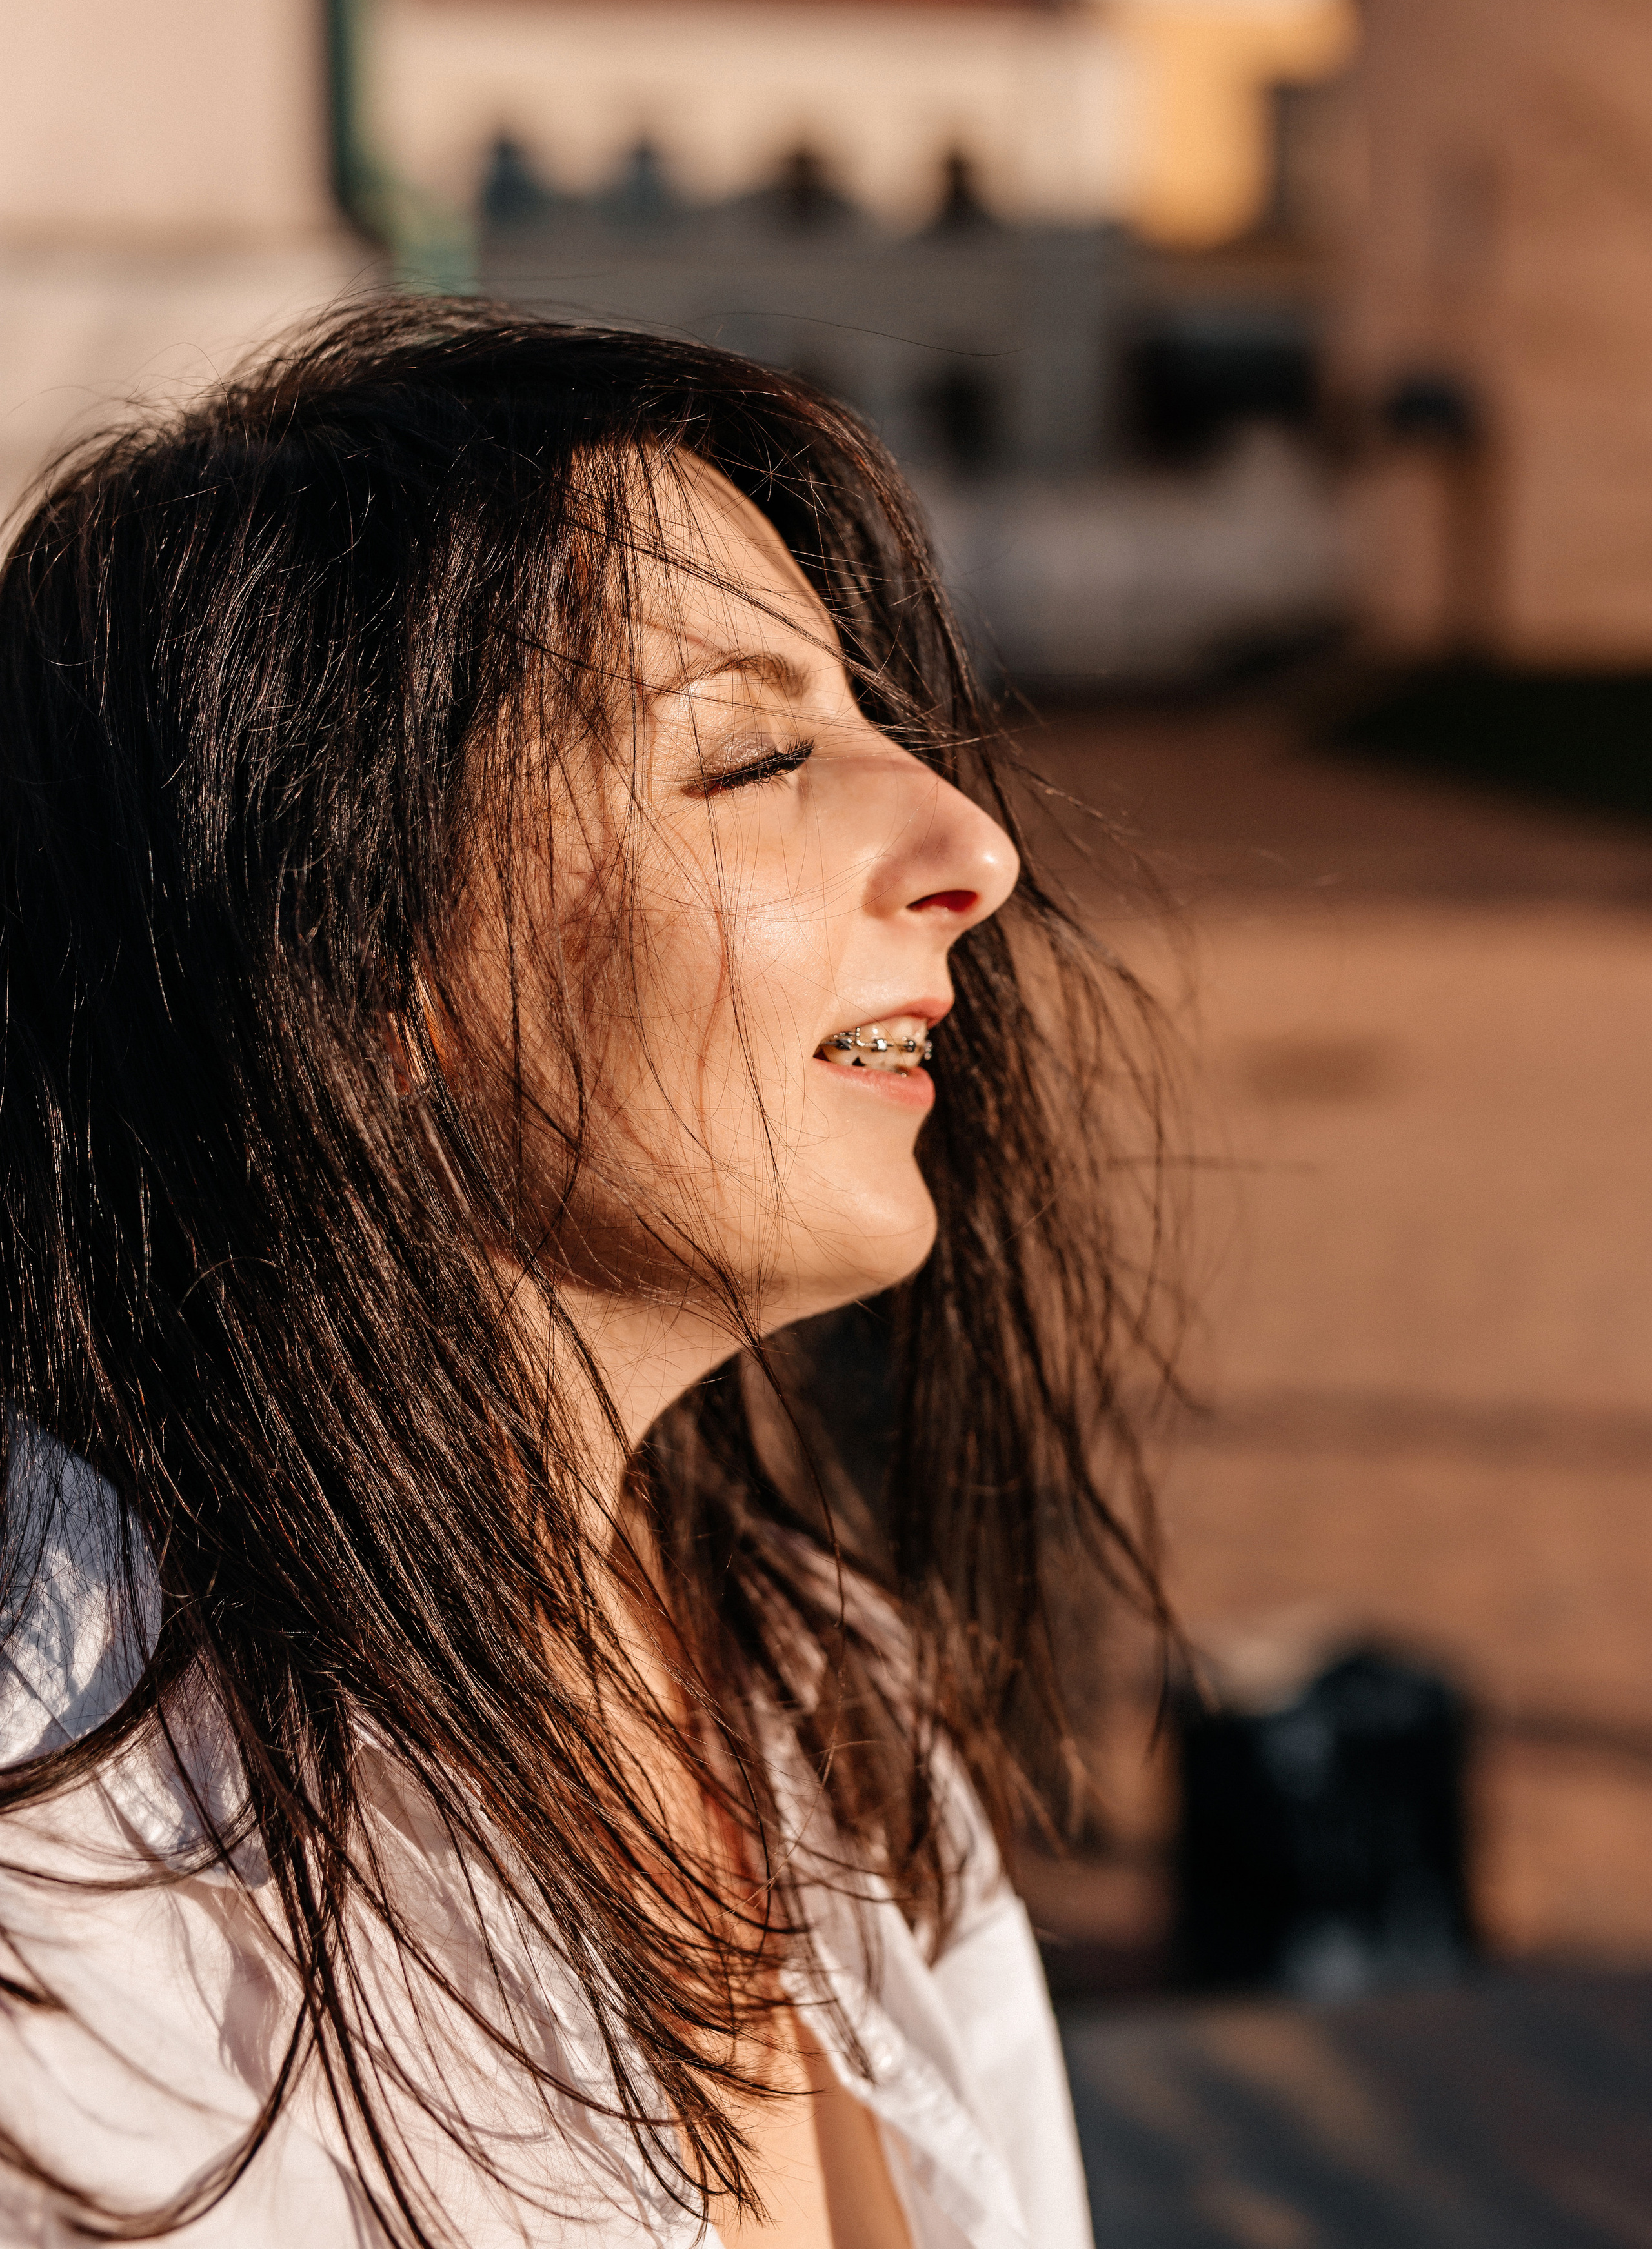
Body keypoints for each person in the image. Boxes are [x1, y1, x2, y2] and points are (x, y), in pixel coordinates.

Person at [0, 302, 1166, 2247]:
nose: (972, 846)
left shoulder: (820, 1690)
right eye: (757, 754)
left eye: (886, 727)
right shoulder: (75, 1875)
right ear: (342, 952)